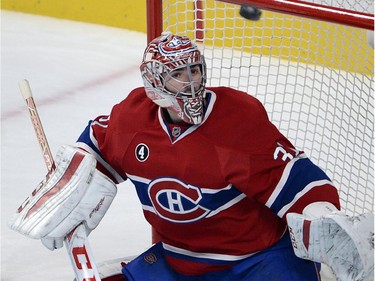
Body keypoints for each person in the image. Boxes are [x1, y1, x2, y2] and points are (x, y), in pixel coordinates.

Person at [9, 33, 374, 281]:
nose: (192, 83)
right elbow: (96, 144)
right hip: (181, 259)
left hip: (256, 260)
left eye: (195, 70)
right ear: (154, 83)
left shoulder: (237, 119)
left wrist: (323, 218)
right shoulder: (133, 119)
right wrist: (74, 179)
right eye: (178, 76)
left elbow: (299, 181)